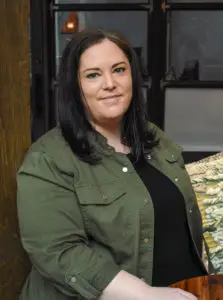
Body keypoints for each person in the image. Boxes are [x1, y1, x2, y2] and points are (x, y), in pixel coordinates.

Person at [17, 29, 208, 300]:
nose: (110, 83)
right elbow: (59, 252)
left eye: (119, 70)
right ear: (75, 85)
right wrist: (146, 295)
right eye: (93, 75)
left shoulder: (153, 137)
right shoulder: (47, 159)